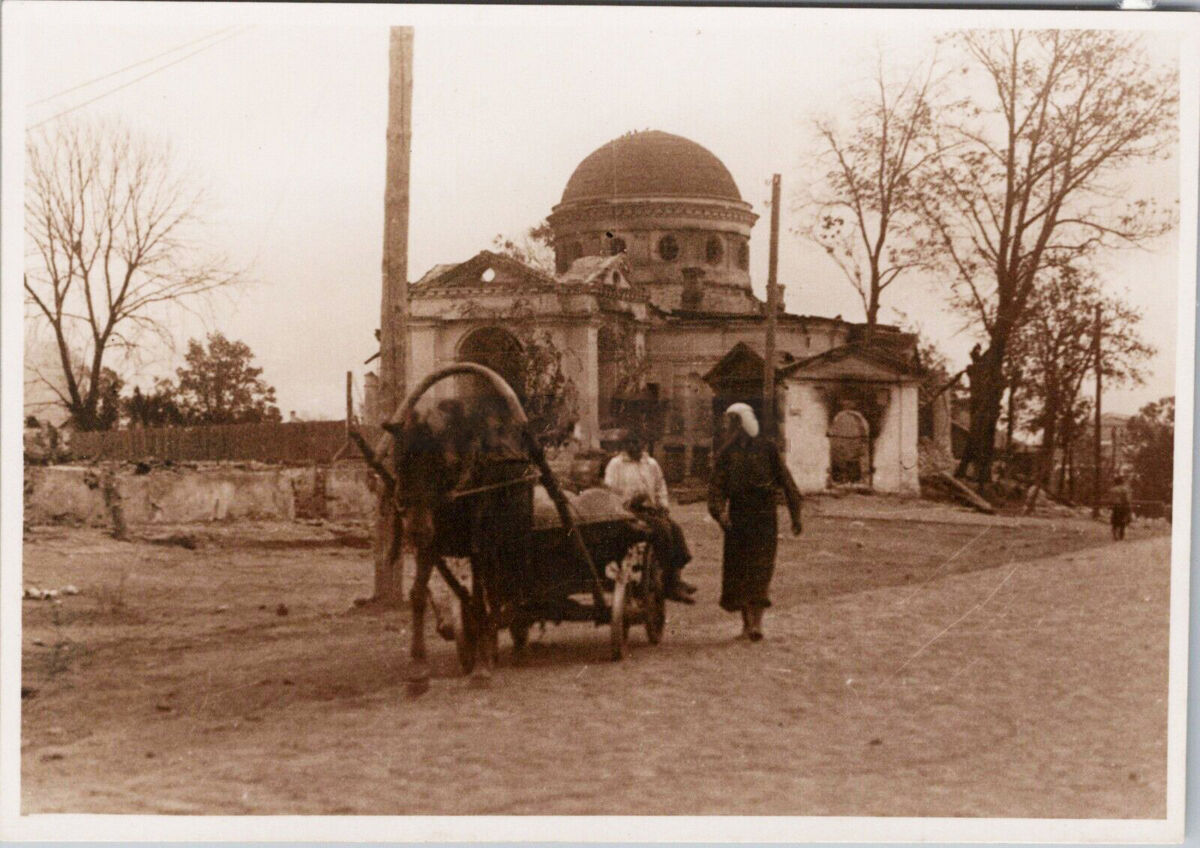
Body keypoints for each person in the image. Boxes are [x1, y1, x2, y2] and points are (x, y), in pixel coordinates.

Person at [708, 403, 802, 641]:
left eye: (732, 422)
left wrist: (795, 515)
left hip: (764, 517)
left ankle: (757, 625)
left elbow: (787, 482)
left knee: (760, 570)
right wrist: (720, 513)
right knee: (738, 572)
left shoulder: (768, 449)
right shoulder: (727, 452)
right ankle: (746, 625)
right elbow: (716, 488)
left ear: (741, 423)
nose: (728, 427)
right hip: (738, 517)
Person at [603, 430, 696, 604]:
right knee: (663, 531)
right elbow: (610, 491)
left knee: (675, 529)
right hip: (627, 512)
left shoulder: (651, 464)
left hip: (649, 510)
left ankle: (675, 577)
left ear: (643, 445)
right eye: (630, 444)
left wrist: (663, 506)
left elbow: (660, 486)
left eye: (637, 443)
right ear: (624, 446)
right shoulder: (616, 465)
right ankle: (668, 583)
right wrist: (628, 500)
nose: (634, 447)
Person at [1109, 475, 1133, 541]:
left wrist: (1111, 506)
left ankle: (1114, 535)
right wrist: (1129, 507)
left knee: (1114, 520)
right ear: (1121, 482)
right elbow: (1127, 499)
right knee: (1122, 520)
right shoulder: (1124, 489)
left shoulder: (1112, 490)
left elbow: (1110, 499)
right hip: (1122, 506)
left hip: (1115, 506)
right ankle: (1121, 535)